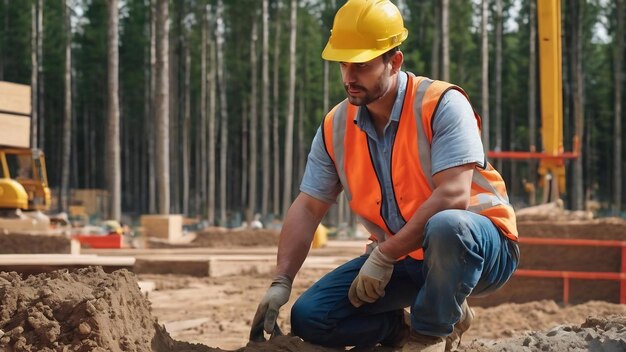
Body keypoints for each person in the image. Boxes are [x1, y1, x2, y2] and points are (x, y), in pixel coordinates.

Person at [249, 0, 519, 350]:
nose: (349, 77)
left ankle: (430, 333)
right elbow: (308, 206)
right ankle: (400, 329)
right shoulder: (336, 126)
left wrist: (384, 254)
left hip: (482, 248)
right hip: (404, 256)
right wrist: (282, 280)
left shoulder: (441, 103)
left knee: (448, 225)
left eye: (361, 65)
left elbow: (454, 195)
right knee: (311, 317)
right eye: (343, 64)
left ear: (394, 61)